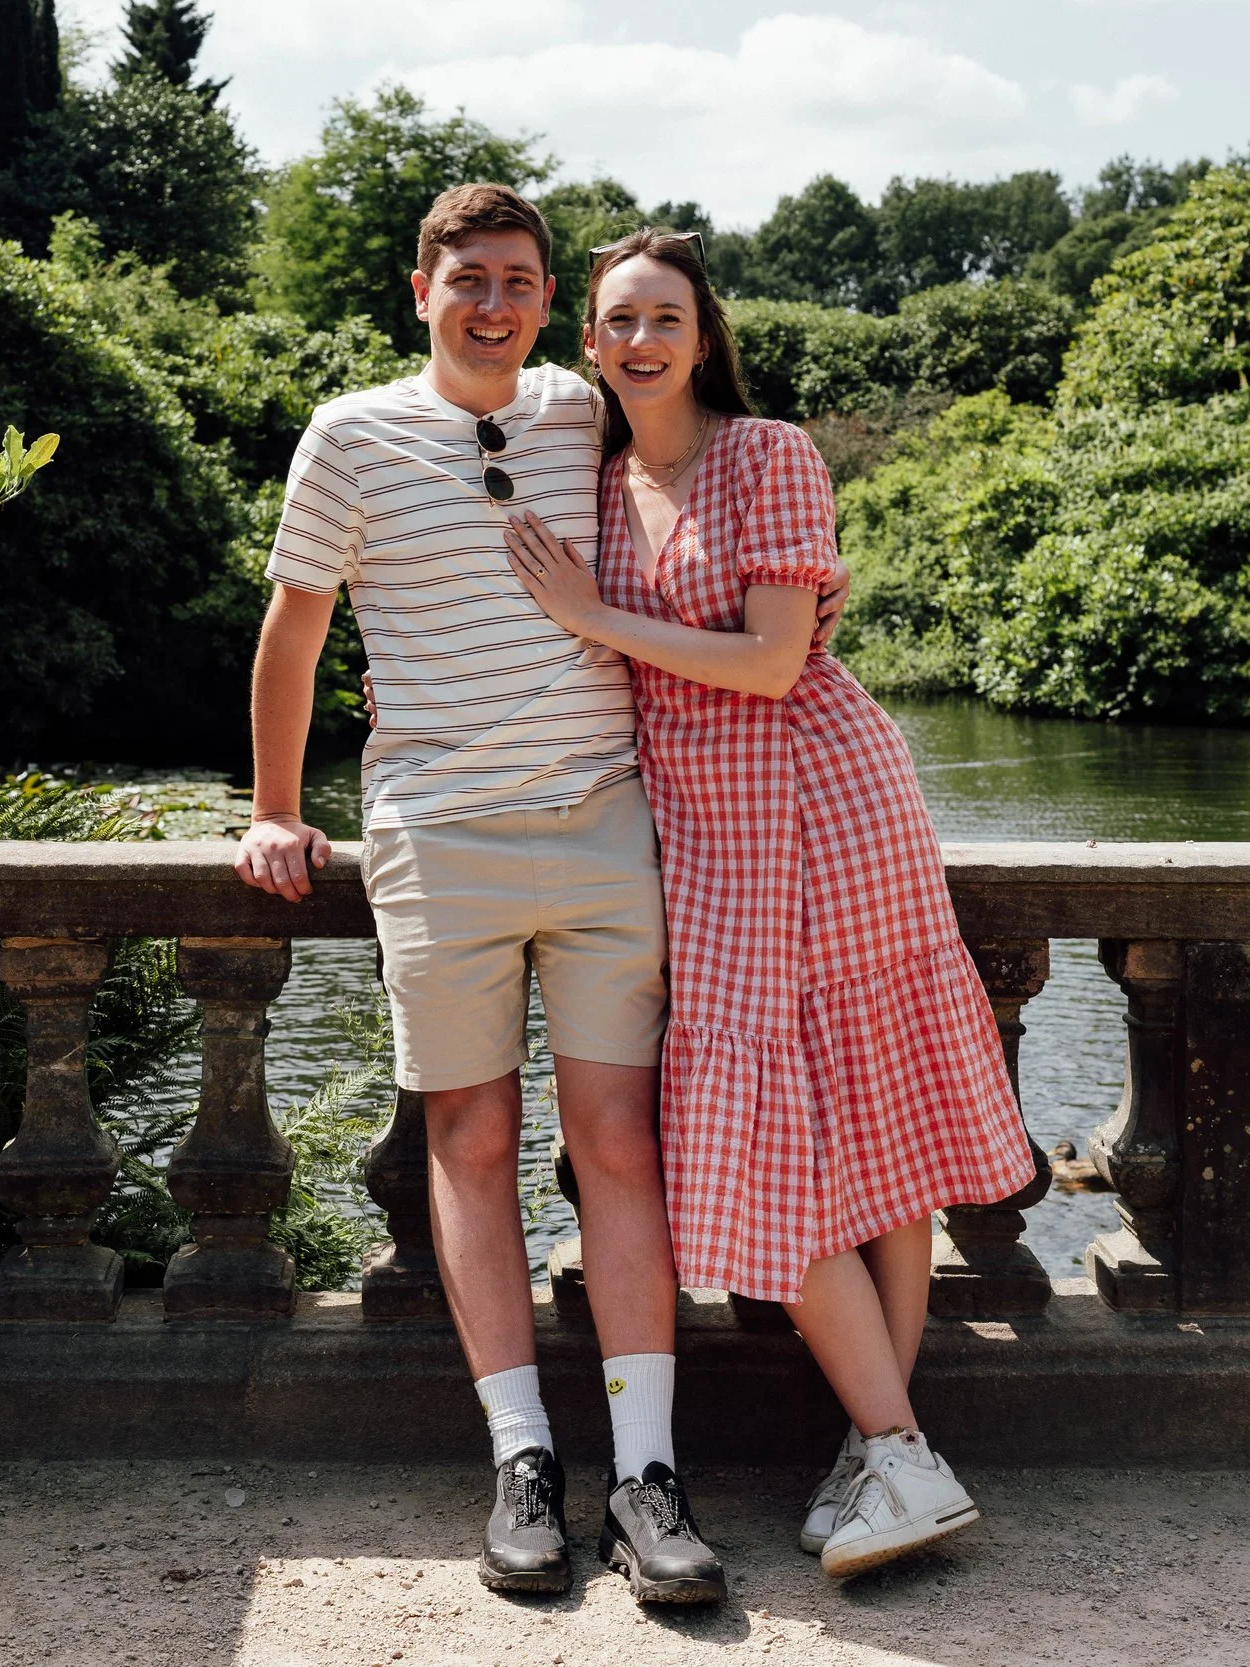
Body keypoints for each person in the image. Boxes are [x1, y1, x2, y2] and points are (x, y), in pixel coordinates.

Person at [502, 228, 1040, 1579]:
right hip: (705, 832)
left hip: (821, 803)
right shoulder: (602, 476)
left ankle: (892, 1454)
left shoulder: (766, 452)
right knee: (788, 1123)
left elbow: (773, 658)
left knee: (861, 1118)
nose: (641, 340)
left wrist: (594, 616)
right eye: (619, 318)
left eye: (665, 316)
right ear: (593, 340)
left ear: (702, 331)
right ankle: (891, 1450)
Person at [232, 185, 728, 1605]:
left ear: (546, 297)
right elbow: (295, 628)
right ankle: (523, 1461)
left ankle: (647, 1473)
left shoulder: (589, 408)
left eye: (519, 280)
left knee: (618, 1141)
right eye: (471, 280)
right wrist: (276, 810)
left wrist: (799, 605)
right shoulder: (351, 434)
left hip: (601, 821)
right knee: (467, 1134)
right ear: (421, 288)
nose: (494, 303)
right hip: (435, 833)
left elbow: (703, 499)